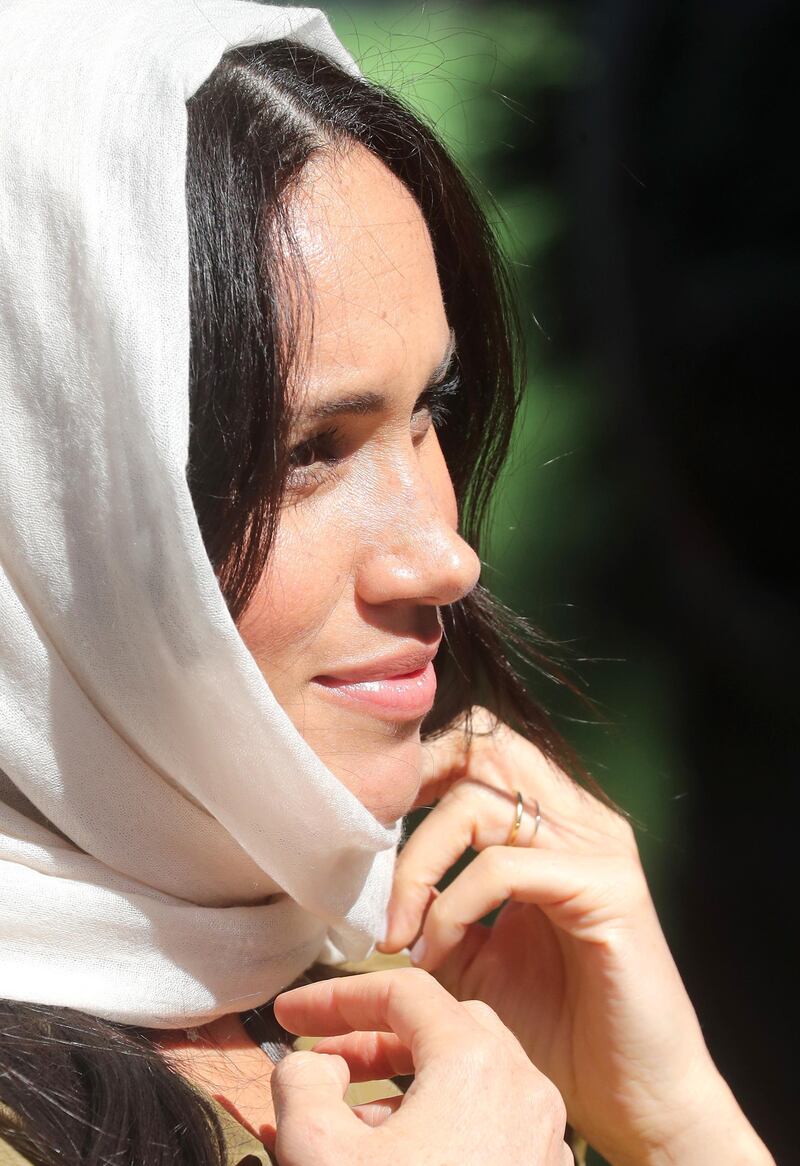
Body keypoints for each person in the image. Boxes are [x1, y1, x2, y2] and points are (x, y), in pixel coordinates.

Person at [0, 2, 774, 1164]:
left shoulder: (384, 999)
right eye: (305, 452)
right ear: (48, 515)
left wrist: (674, 1123)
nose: (444, 556)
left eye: (429, 414)